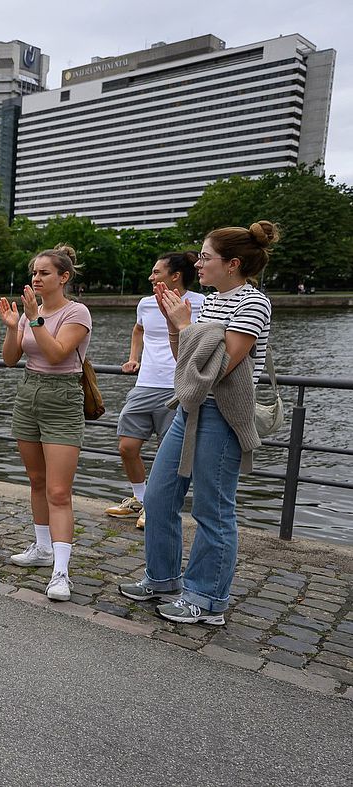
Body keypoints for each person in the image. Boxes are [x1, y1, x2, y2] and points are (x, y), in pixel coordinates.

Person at [119, 223, 276, 626]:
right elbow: (185, 362)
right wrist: (176, 325)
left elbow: (222, 365)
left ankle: (207, 599)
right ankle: (163, 579)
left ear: (233, 263)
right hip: (189, 410)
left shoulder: (254, 304)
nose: (198, 263)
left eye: (206, 257)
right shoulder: (208, 303)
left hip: (221, 417)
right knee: (157, 498)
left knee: (213, 510)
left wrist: (185, 326)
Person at [0, 245, 91, 602]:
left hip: (63, 398)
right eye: (34, 273)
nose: (36, 278)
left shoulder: (76, 312)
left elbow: (56, 353)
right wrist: (11, 328)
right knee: (36, 480)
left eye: (44, 273)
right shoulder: (27, 312)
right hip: (28, 394)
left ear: (63, 277)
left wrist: (34, 318)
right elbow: (9, 359)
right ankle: (42, 548)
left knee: (58, 491)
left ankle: (61, 572)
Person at [105, 252, 206, 529]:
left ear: (175, 276)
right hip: (145, 384)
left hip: (177, 388)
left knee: (168, 454)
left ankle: (156, 507)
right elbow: (138, 330)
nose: (151, 277)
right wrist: (133, 357)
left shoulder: (201, 303)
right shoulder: (146, 304)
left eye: (156, 272)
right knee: (127, 446)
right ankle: (141, 498)